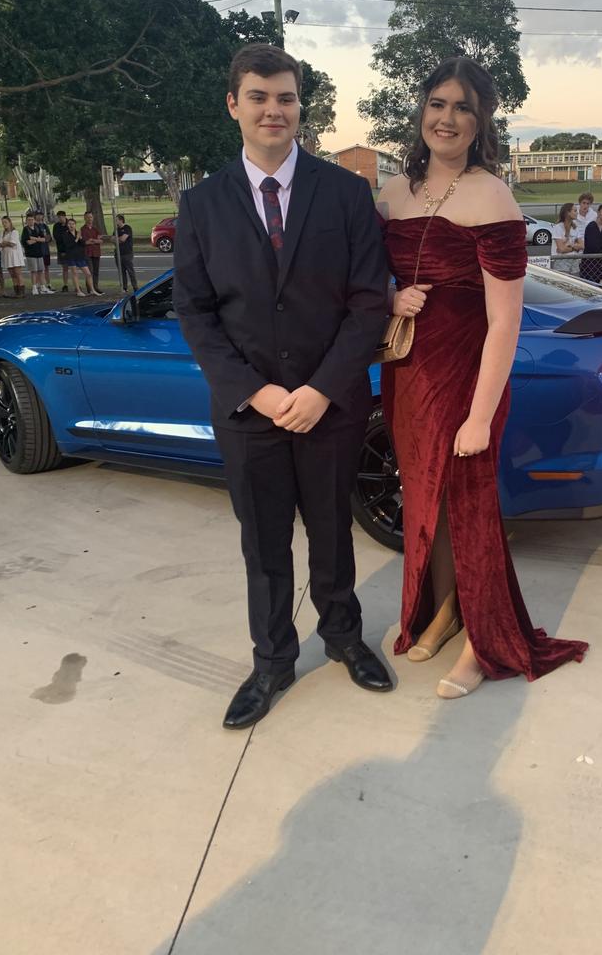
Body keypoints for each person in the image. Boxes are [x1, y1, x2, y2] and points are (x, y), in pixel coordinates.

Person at [173, 43, 392, 730]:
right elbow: (196, 312)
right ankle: (271, 661)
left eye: (287, 97)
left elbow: (368, 302)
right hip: (249, 413)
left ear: (301, 106)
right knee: (264, 545)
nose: (275, 109)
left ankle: (344, 637)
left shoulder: (346, 194)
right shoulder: (202, 204)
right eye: (260, 96)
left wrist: (323, 388)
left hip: (329, 406)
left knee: (332, 532)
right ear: (233, 105)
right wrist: (258, 392)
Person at [377, 56, 588, 699]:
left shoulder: (492, 195)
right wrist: (390, 300)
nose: (447, 118)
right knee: (427, 504)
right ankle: (443, 613)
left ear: (480, 121)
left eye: (463, 107)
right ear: (421, 112)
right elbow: (362, 280)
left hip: (470, 380)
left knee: (470, 511)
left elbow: (506, 322)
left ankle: (483, 643)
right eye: (437, 104)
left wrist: (478, 413)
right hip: (409, 374)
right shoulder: (392, 192)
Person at [64, 217, 102, 296]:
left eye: (73, 224)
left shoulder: (78, 232)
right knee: (75, 273)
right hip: (71, 256)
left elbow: (83, 244)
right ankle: (78, 291)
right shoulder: (65, 234)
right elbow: (69, 245)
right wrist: (77, 238)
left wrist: (81, 238)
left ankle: (92, 290)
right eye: (69, 224)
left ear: (75, 225)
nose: (71, 226)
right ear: (67, 225)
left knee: (88, 273)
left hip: (80, 256)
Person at [21, 211, 53, 295]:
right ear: (26, 221)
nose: (30, 221)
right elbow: (27, 242)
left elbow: (44, 239)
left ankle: (43, 287)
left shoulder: (37, 228)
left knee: (41, 270)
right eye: (29, 220)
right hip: (30, 254)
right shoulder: (25, 230)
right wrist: (37, 239)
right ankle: (34, 287)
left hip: (39, 253)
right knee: (33, 271)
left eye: (32, 219)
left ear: (34, 220)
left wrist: (34, 238)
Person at [580, 202, 602, 281]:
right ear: (598, 212)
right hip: (589, 264)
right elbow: (592, 246)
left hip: (600, 266)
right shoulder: (591, 226)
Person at [550, 201, 583, 274]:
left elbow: (582, 245)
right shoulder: (558, 227)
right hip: (561, 262)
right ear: (568, 212)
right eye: (574, 211)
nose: (577, 213)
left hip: (575, 262)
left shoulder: (575, 228)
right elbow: (561, 249)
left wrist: (570, 246)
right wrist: (575, 247)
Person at [0, 216, 26, 296]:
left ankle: (21, 292)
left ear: (10, 222)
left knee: (18, 273)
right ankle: (16, 291)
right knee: (12, 274)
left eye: (5, 222)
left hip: (15, 256)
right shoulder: (2, 233)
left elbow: (12, 243)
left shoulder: (14, 232)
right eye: (3, 223)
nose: (4, 224)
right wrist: (6, 243)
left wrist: (5, 243)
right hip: (7, 256)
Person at [81, 210, 105, 293]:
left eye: (91, 217)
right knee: (89, 271)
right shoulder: (83, 229)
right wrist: (94, 240)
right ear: (85, 218)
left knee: (96, 271)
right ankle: (90, 288)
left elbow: (101, 240)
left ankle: (95, 286)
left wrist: (93, 240)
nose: (89, 219)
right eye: (87, 217)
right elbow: (85, 242)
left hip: (96, 252)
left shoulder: (96, 229)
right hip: (87, 253)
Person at [114, 215, 138, 291]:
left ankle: (135, 288)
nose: (115, 221)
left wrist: (117, 239)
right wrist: (118, 239)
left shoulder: (127, 228)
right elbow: (112, 240)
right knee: (122, 272)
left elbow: (123, 239)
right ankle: (124, 288)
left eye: (116, 220)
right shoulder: (116, 230)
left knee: (130, 271)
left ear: (121, 220)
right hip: (118, 254)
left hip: (127, 253)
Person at [33, 209, 53, 291]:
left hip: (45, 249)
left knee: (46, 267)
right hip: (38, 250)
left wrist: (43, 239)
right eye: (37, 215)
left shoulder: (45, 226)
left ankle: (48, 284)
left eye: (41, 214)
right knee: (38, 268)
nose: (39, 216)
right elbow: (34, 238)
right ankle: (38, 284)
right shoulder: (33, 226)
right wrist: (41, 239)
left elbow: (48, 237)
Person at [52, 210, 71, 291]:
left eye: (61, 217)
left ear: (64, 216)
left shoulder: (70, 224)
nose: (60, 219)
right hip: (62, 249)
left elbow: (72, 235)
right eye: (58, 217)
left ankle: (76, 284)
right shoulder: (56, 226)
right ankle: (65, 284)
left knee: (74, 267)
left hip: (71, 249)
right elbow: (57, 237)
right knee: (65, 268)